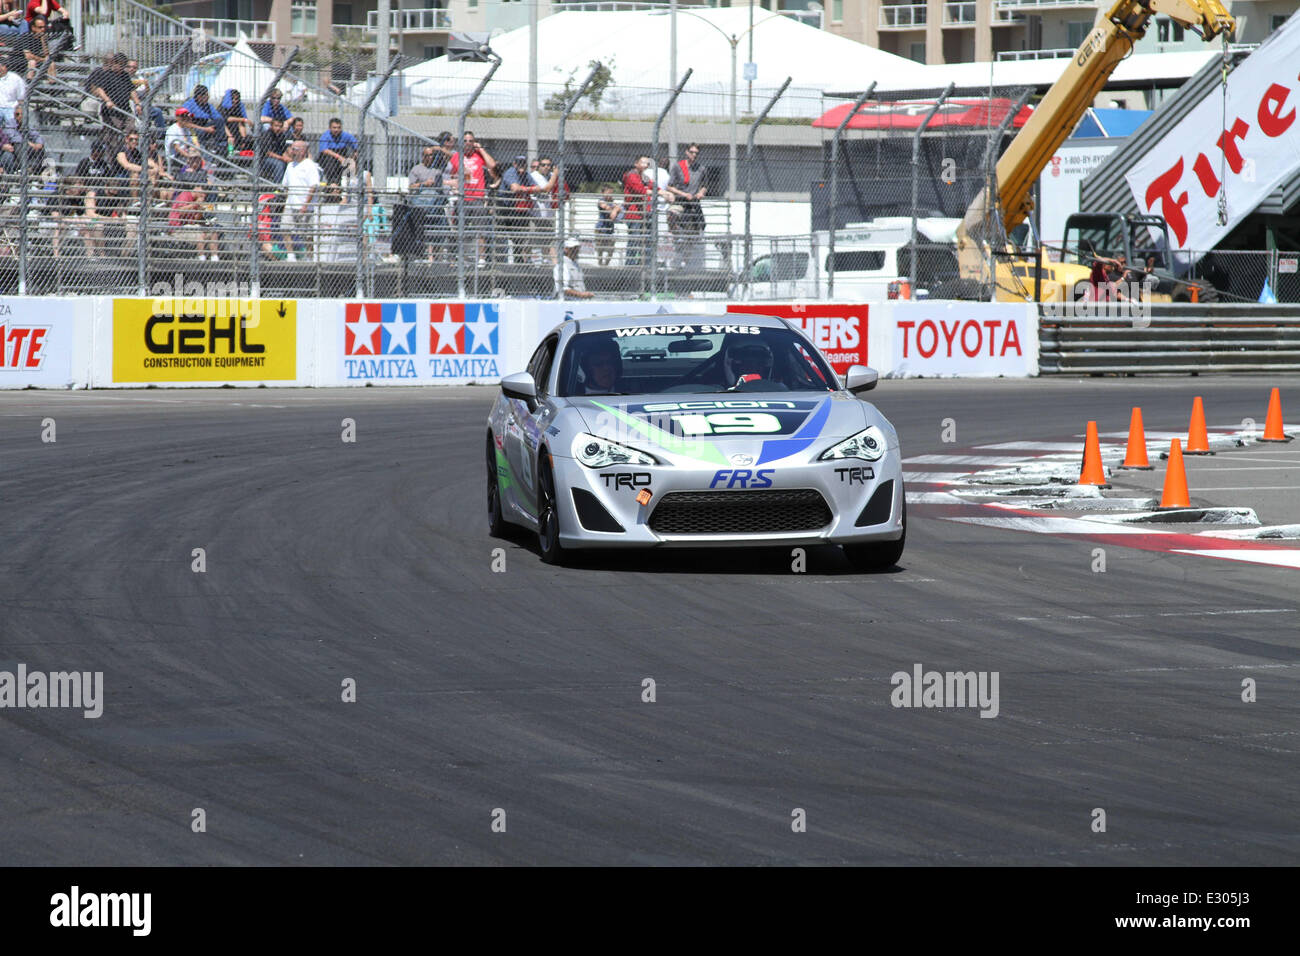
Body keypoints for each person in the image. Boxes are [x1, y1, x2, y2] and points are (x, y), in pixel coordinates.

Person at [446, 130, 496, 268]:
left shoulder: (478, 155)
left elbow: (492, 166)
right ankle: (458, 256)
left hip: (477, 197)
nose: (468, 143)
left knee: (481, 230)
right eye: (465, 141)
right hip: (462, 198)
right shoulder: (457, 157)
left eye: (471, 141)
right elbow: (448, 176)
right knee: (459, 229)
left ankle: (481, 258)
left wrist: (481, 149)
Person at [668, 142, 707, 269]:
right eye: (692, 152)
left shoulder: (701, 168)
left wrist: (701, 193)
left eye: (696, 153)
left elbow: (704, 186)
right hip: (681, 201)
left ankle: (686, 259)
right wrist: (684, 194)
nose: (694, 155)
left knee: (696, 230)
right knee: (672, 215)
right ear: (686, 152)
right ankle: (677, 237)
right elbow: (670, 186)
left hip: (693, 204)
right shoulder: (678, 167)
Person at [279, 138, 319, 261]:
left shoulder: (310, 165)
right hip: (291, 204)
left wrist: (305, 205)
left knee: (307, 235)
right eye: (291, 148)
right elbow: (285, 185)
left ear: (303, 151)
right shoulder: (290, 165)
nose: (291, 151)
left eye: (295, 149)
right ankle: (291, 255)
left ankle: (309, 257)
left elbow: (314, 186)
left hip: (304, 206)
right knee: (285, 228)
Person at [408, 143, 448, 262]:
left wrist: (439, 148)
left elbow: (451, 158)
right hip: (420, 204)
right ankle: (421, 255)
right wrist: (424, 184)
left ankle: (435, 257)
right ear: (423, 156)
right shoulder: (416, 169)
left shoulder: (437, 170)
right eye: (427, 155)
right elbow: (411, 187)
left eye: (432, 155)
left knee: (441, 227)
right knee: (419, 229)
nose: (430, 158)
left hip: (434, 205)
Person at [498, 154, 534, 264]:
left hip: (517, 208)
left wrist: (527, 189)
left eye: (523, 163)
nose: (521, 166)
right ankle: (500, 262)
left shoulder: (527, 175)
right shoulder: (510, 172)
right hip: (504, 206)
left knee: (520, 236)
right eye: (519, 163)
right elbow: (515, 188)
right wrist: (529, 189)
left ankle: (518, 260)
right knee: (502, 235)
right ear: (514, 164)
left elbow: (538, 187)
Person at [88, 52, 135, 133]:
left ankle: (128, 144)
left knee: (130, 129)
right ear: (114, 63)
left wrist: (137, 103)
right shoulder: (106, 74)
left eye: (124, 65)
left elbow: (131, 89)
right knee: (113, 133)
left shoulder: (125, 75)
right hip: (111, 110)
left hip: (125, 109)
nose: (122, 67)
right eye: (120, 65)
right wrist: (108, 101)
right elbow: (99, 90)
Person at [621, 155, 652, 266]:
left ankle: (646, 263)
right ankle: (630, 264)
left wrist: (664, 192)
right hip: (634, 214)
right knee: (634, 239)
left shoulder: (644, 177)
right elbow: (639, 190)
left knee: (647, 239)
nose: (645, 165)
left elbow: (652, 186)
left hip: (644, 212)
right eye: (643, 162)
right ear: (636, 164)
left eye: (647, 163)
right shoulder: (632, 175)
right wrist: (648, 191)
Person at [529, 155, 558, 265]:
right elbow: (546, 189)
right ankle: (526, 262)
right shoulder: (534, 176)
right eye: (543, 165)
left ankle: (549, 263)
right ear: (539, 166)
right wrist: (555, 174)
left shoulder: (551, 175)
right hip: (535, 214)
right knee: (530, 241)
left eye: (548, 165)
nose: (546, 167)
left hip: (548, 214)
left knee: (549, 240)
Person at [181, 84, 224, 158]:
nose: (207, 98)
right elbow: (184, 123)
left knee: (219, 120)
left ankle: (220, 145)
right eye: (206, 96)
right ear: (199, 96)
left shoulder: (207, 106)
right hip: (192, 129)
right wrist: (205, 129)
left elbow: (219, 119)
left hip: (204, 127)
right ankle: (202, 150)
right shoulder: (189, 104)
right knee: (200, 132)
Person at [316, 116, 357, 184]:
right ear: (330, 128)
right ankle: (332, 183)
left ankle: (347, 183)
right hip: (328, 159)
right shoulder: (325, 136)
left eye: (338, 127)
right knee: (329, 159)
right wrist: (339, 157)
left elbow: (357, 146)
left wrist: (353, 158)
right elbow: (324, 150)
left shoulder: (345, 135)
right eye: (334, 127)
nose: (336, 130)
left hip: (341, 155)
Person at [554, 235, 593, 300]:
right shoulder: (562, 265)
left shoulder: (575, 264)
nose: (576, 250)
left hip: (577, 301)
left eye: (577, 248)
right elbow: (563, 289)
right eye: (573, 248)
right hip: (567, 301)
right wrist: (581, 295)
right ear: (566, 249)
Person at [257, 115, 290, 183]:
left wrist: (287, 158)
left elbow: (284, 150)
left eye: (280, 126)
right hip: (264, 160)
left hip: (278, 157)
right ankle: (278, 187)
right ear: (271, 126)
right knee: (279, 164)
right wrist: (282, 158)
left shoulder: (281, 136)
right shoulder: (267, 135)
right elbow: (268, 152)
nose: (278, 128)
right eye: (276, 126)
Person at [595, 185, 620, 267]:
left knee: (611, 249)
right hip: (601, 228)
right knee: (600, 248)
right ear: (603, 193)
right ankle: (600, 263)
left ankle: (606, 264)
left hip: (610, 229)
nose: (610, 195)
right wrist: (613, 210)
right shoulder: (601, 200)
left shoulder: (612, 201)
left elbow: (619, 208)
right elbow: (605, 207)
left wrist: (615, 210)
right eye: (608, 193)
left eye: (611, 193)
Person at [0, 61, 22, 134]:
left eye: (2, 66)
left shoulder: (15, 78)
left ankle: (13, 142)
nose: (0, 68)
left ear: (6, 67)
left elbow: (21, 96)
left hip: (11, 107)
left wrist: (19, 108)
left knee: (12, 131)